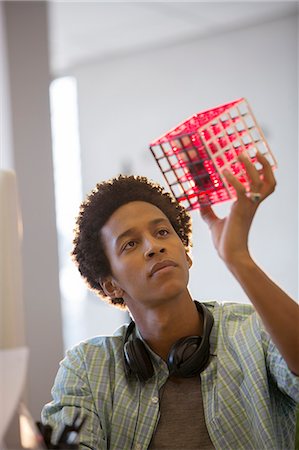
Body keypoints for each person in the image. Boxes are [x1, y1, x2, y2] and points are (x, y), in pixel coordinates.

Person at [41, 151, 299, 449]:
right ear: (111, 285)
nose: (154, 247)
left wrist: (238, 258)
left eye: (162, 232)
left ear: (186, 254)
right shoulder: (87, 367)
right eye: (131, 244)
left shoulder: (254, 331)